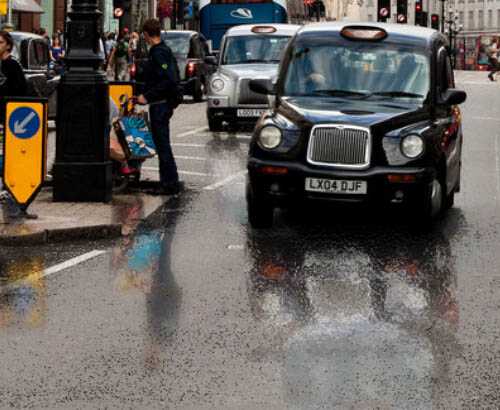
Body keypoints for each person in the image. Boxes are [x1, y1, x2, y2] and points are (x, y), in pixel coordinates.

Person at [137, 19, 183, 195]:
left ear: (147, 35)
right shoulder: (163, 50)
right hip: (162, 104)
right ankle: (169, 182)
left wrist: (146, 96)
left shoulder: (158, 53)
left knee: (162, 144)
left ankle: (169, 184)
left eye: (144, 35)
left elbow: (168, 79)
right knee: (162, 144)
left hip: (160, 105)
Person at [0, 30, 27, 123]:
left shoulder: (13, 64)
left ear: (8, 46)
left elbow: (20, 89)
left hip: (9, 111)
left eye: (0, 42)